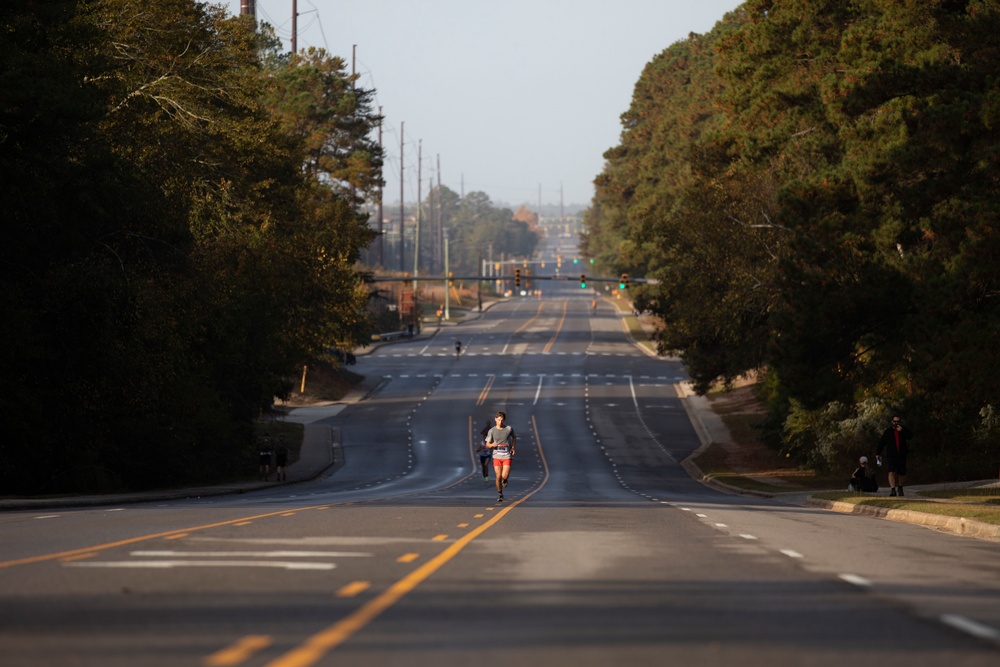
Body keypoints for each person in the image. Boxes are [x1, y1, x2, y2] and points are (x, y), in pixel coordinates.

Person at [877, 415, 912, 497]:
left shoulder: (903, 430)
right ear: (892, 422)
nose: (896, 423)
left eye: (898, 422)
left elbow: (910, 436)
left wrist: (902, 431)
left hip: (901, 455)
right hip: (891, 455)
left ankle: (900, 487)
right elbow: (881, 443)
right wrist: (878, 453)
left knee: (902, 473)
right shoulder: (888, 432)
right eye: (894, 421)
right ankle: (893, 489)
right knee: (891, 471)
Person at [485, 411, 516, 502]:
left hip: (507, 455)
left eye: (502, 420)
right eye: (498, 420)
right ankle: (500, 494)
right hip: (497, 456)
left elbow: (514, 437)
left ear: (504, 420)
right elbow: (487, 443)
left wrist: (513, 447)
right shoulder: (492, 431)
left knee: (504, 476)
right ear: (495, 419)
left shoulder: (509, 429)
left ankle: (505, 480)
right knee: (498, 476)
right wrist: (492, 445)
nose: (500, 422)